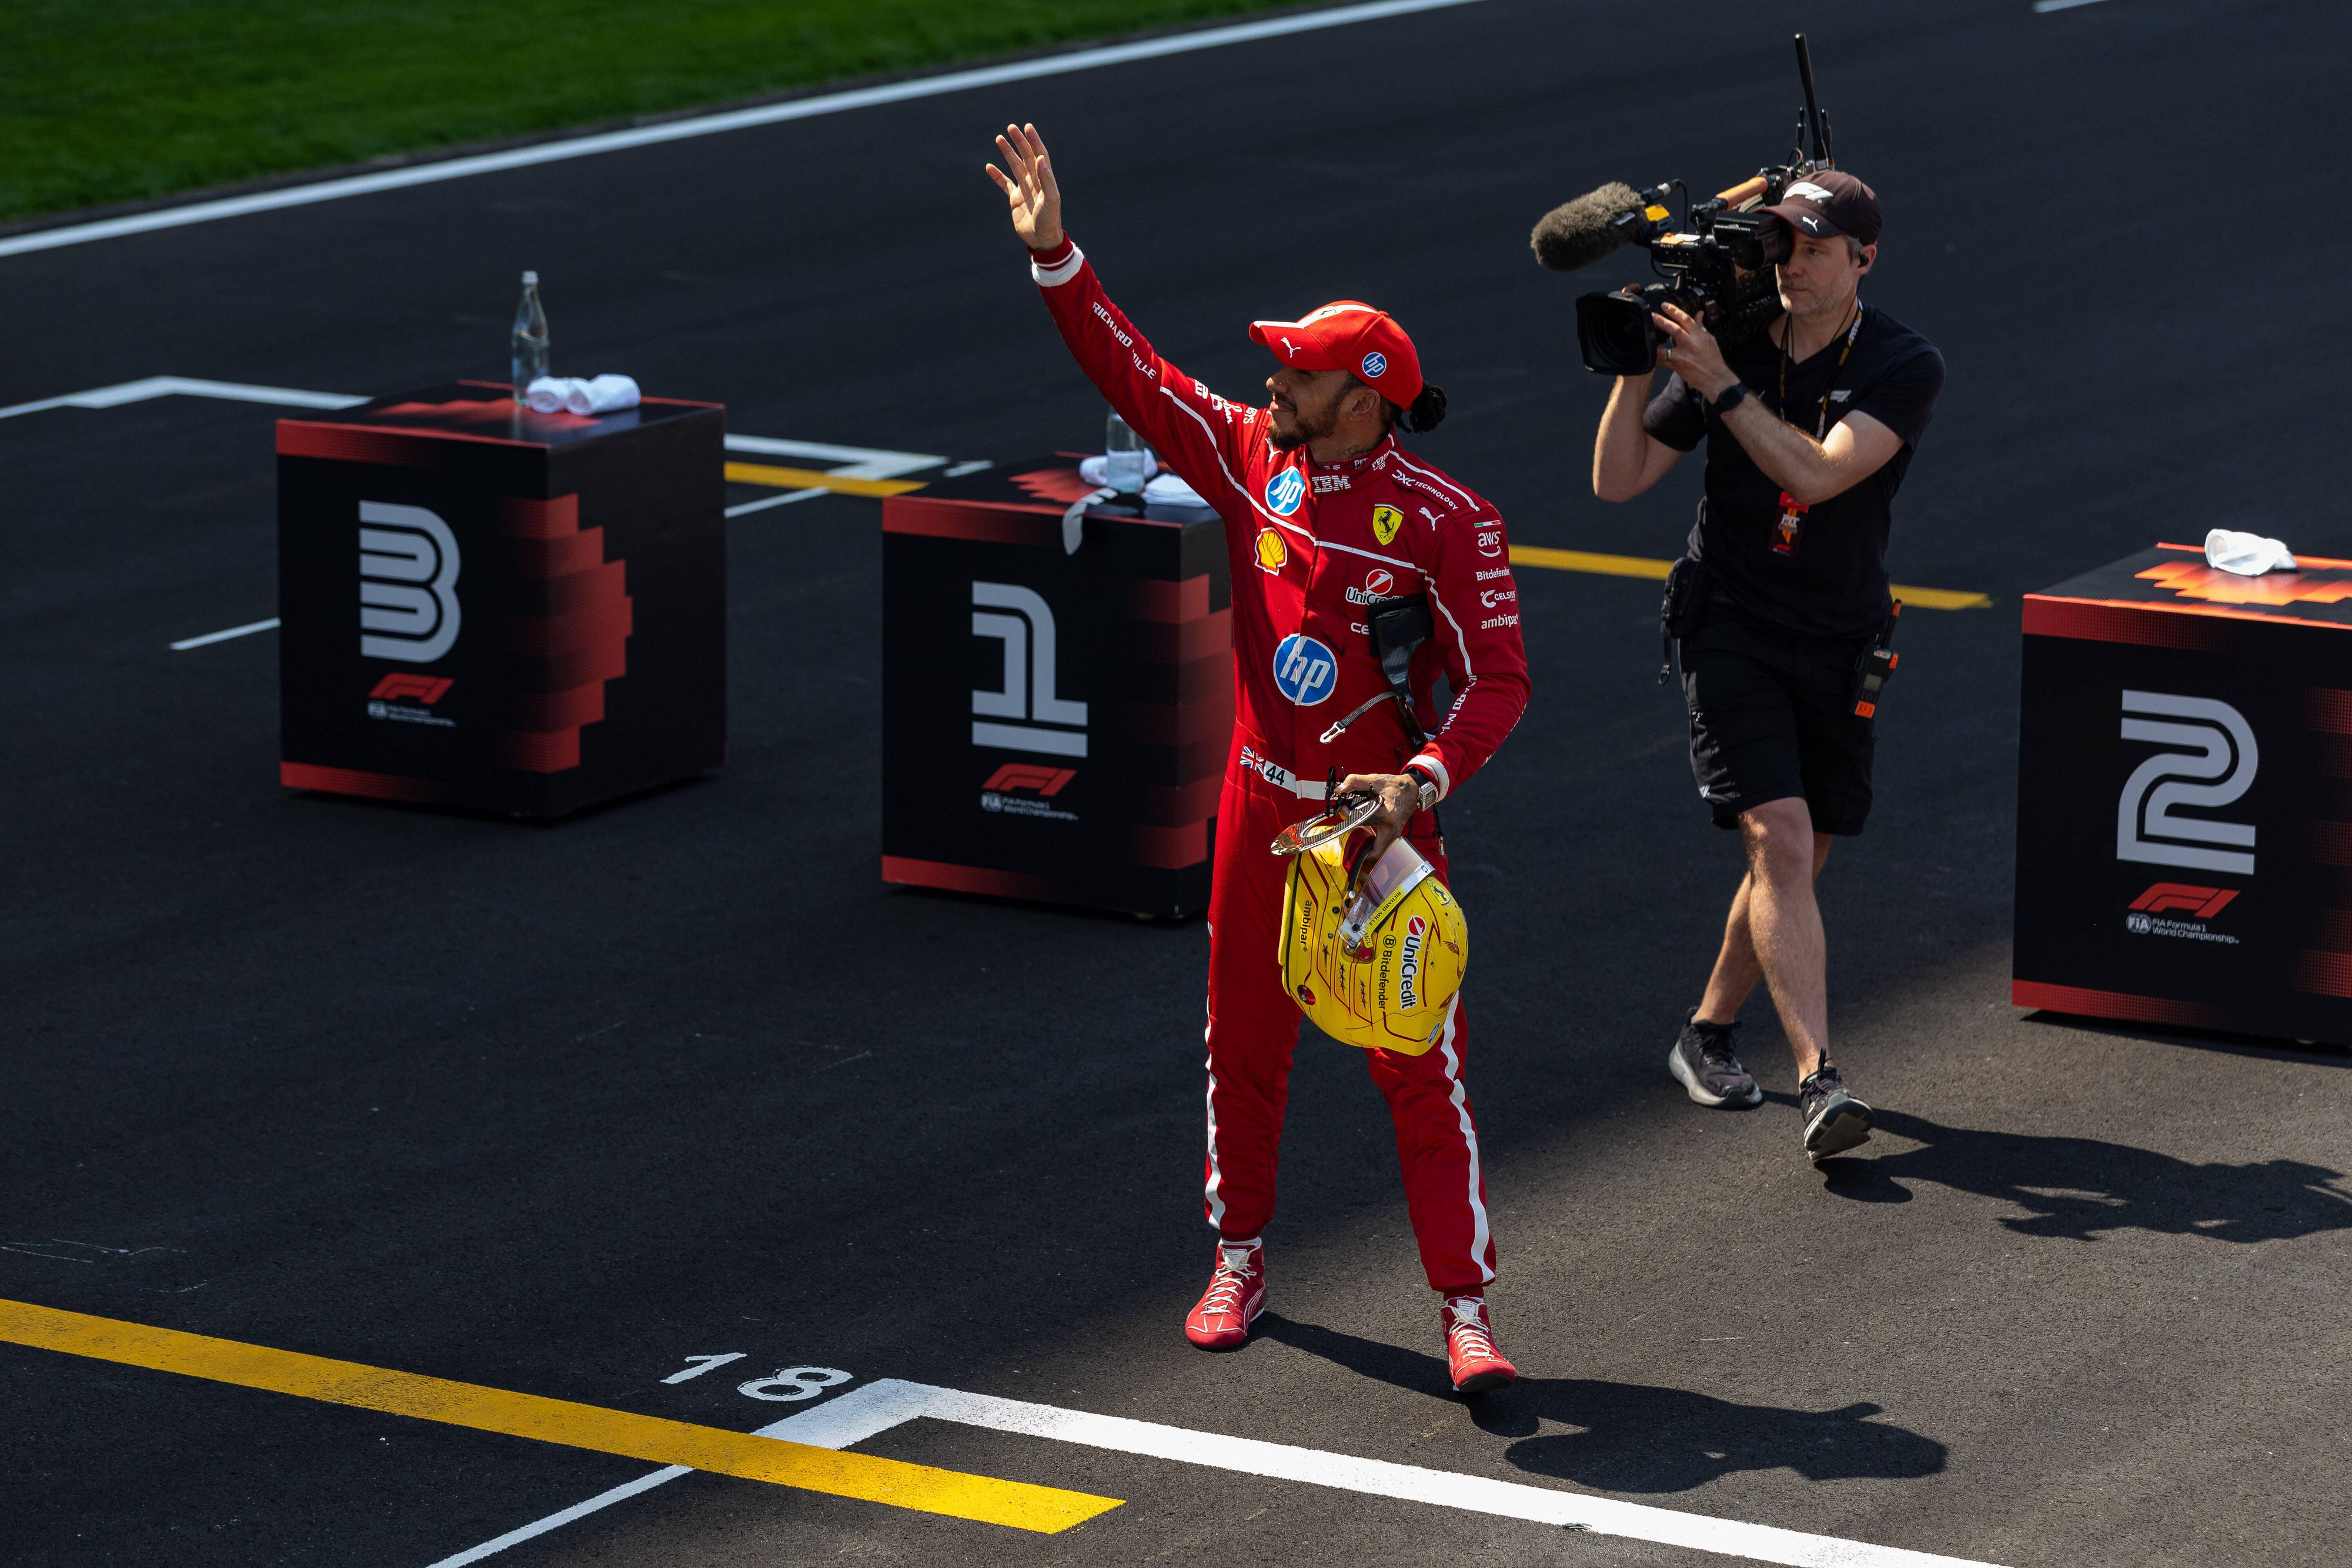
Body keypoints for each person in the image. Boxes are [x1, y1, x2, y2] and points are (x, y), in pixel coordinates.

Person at [985, 123, 1532, 1391]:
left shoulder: (1452, 523)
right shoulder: (1246, 458)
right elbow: (1135, 377)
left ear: (1366, 396)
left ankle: (1464, 1305)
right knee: (1243, 1038)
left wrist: (1421, 783)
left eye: (1298, 374)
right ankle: (1237, 1252)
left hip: (1381, 831)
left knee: (1415, 1055)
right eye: (1278, 372)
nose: (1274, 386)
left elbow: (1500, 684)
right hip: (1256, 807)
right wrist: (1056, 256)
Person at [1589, 170, 1945, 1164]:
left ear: (1865, 260)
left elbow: (1819, 475)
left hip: (1841, 633)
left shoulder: (1903, 363)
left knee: (1802, 852)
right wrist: (1639, 358)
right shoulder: (1733, 338)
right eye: (1784, 246)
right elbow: (1617, 482)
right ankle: (1821, 1079)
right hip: (1730, 620)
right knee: (1780, 839)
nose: (1795, 267)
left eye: (1818, 250)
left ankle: (1705, 1037)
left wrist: (1719, 385)